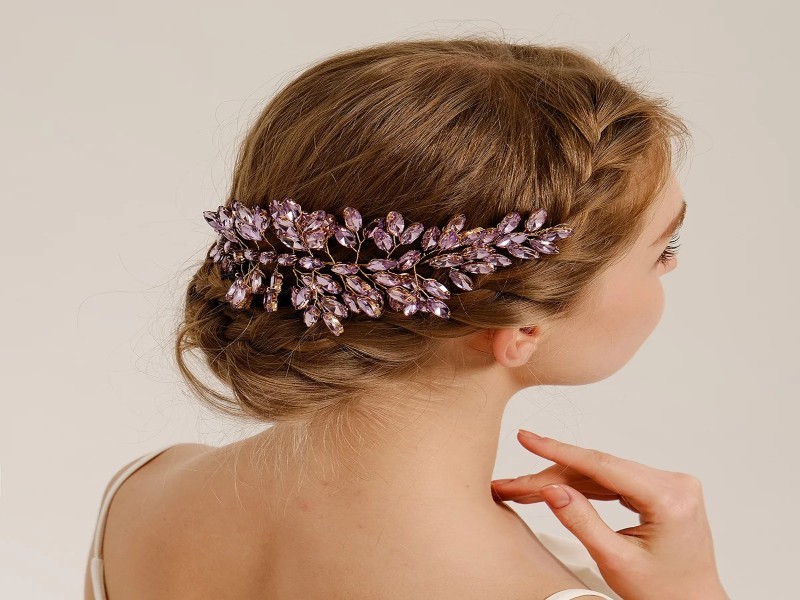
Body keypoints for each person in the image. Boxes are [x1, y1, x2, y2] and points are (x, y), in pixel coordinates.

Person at [85, 36, 729, 599]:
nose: (671, 267)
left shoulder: (141, 496)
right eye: (661, 248)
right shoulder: (528, 588)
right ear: (521, 324)